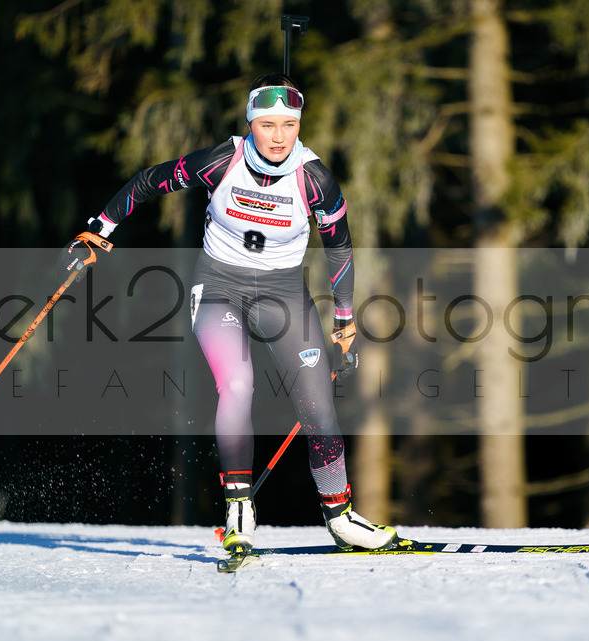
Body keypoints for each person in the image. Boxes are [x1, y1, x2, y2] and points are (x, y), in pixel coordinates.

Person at [67, 73, 396, 554]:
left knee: (317, 402)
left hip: (283, 294)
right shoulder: (224, 161)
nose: (280, 136)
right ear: (251, 123)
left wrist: (344, 320)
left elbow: (340, 250)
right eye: (268, 125)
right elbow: (149, 181)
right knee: (238, 384)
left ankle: (340, 516)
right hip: (218, 286)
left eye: (289, 124)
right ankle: (239, 509)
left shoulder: (315, 178)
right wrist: (101, 229)